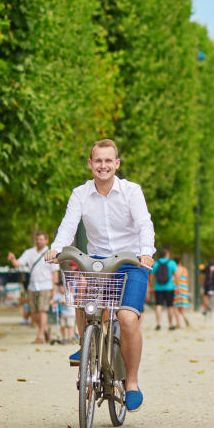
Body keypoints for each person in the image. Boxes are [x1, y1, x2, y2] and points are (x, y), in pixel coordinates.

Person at [45, 138, 155, 412]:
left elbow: (144, 223)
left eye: (109, 161)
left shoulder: (132, 191)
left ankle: (131, 382)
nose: (103, 166)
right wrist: (57, 248)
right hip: (98, 262)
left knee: (128, 318)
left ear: (116, 164)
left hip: (131, 261)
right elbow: (68, 225)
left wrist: (145, 252)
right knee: (82, 296)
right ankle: (87, 346)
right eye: (98, 161)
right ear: (90, 164)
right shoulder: (80, 194)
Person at [8, 231, 56, 344]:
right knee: (34, 314)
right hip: (32, 286)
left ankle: (40, 336)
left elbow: (55, 273)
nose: (39, 241)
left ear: (46, 240)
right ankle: (45, 329)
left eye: (41, 239)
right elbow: (18, 264)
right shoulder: (29, 253)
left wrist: (54, 290)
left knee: (42, 310)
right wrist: (13, 259)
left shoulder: (50, 253)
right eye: (37, 239)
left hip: (46, 285)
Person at [150, 248, 177, 331]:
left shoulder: (155, 264)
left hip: (158, 288)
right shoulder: (172, 263)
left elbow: (151, 276)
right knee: (170, 306)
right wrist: (177, 286)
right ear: (167, 255)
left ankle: (158, 323)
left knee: (158, 305)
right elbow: (176, 276)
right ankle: (170, 324)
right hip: (169, 288)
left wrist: (151, 286)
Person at [172, 258, 191, 328]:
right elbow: (187, 280)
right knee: (181, 307)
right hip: (184, 288)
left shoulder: (174, 269)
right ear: (180, 262)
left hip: (176, 287)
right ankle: (184, 316)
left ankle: (178, 324)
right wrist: (187, 289)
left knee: (175, 306)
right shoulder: (184, 269)